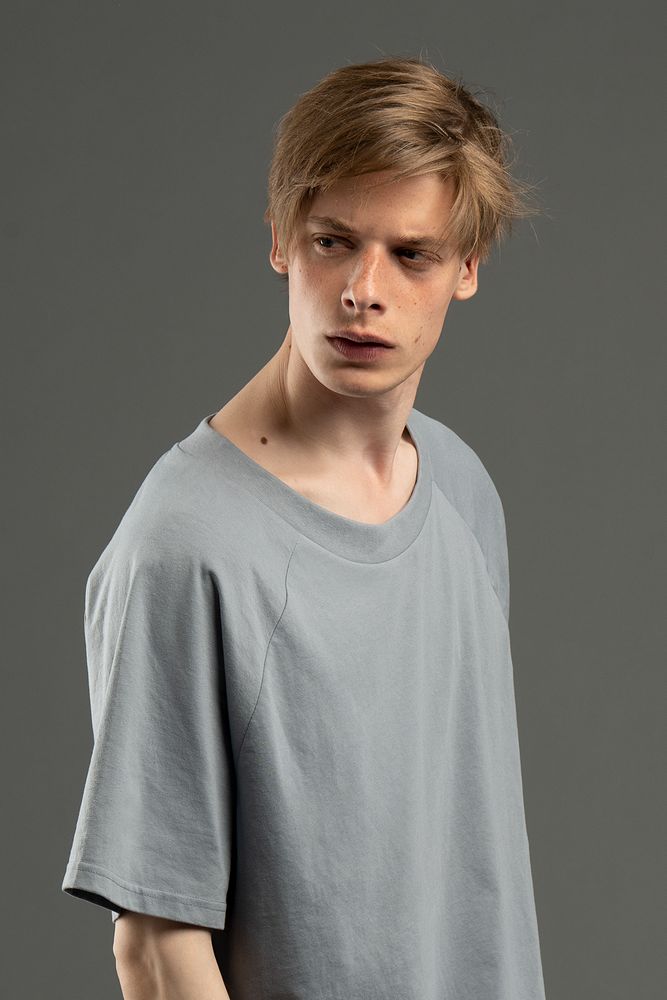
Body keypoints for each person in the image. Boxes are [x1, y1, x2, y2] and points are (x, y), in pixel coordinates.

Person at [62, 55, 546, 999]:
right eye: (333, 241)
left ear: (465, 269)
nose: (363, 289)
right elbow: (156, 948)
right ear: (282, 240)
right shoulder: (184, 546)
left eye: (411, 254)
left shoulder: (460, 487)